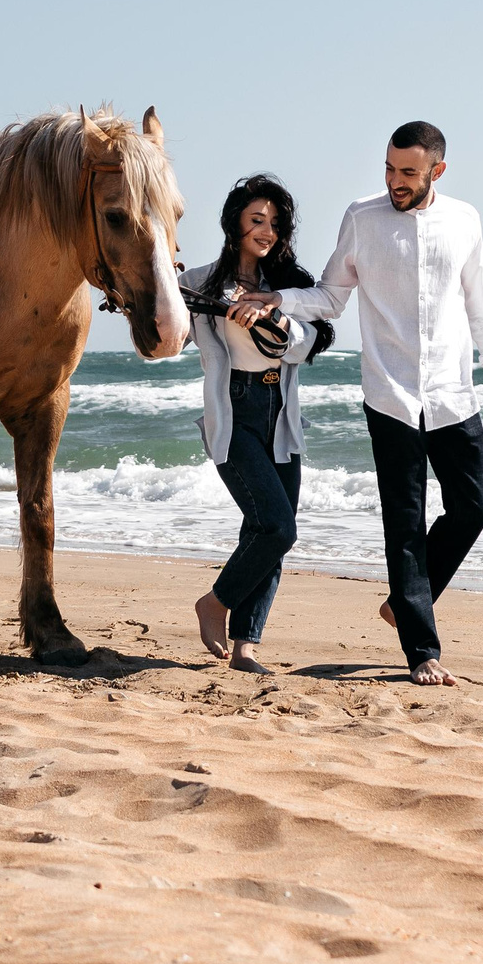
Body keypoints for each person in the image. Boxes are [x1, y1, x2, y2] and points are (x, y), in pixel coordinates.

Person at [230, 121, 483, 686]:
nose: (394, 181)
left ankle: (409, 599)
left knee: (474, 508)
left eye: (408, 172)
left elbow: (481, 306)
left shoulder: (464, 220)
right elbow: (332, 296)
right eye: (389, 168)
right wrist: (277, 299)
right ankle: (422, 650)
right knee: (404, 524)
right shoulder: (363, 217)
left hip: (452, 394)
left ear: (437, 170)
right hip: (389, 394)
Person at [185, 175, 334, 674]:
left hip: (280, 411)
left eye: (274, 223)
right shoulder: (201, 283)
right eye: (256, 220)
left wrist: (278, 322)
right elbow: (158, 342)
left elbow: (317, 340)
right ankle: (215, 603)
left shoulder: (289, 286)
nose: (266, 231)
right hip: (234, 409)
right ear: (234, 223)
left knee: (265, 529)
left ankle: (246, 644)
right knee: (277, 526)